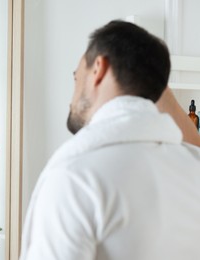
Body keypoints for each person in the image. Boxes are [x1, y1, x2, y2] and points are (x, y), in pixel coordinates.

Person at [20, 20, 200, 260]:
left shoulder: (75, 178)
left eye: (76, 77)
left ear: (98, 69)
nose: (72, 96)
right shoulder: (192, 167)